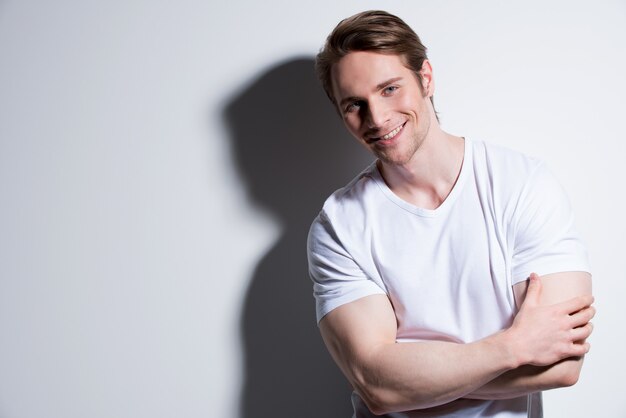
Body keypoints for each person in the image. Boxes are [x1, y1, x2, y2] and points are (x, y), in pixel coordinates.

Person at [307, 10, 594, 418]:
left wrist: (412, 380)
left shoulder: (522, 184)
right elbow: (377, 386)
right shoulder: (339, 225)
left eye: (389, 89)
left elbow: (561, 364)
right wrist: (511, 347)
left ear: (425, 77)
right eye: (355, 104)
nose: (377, 118)